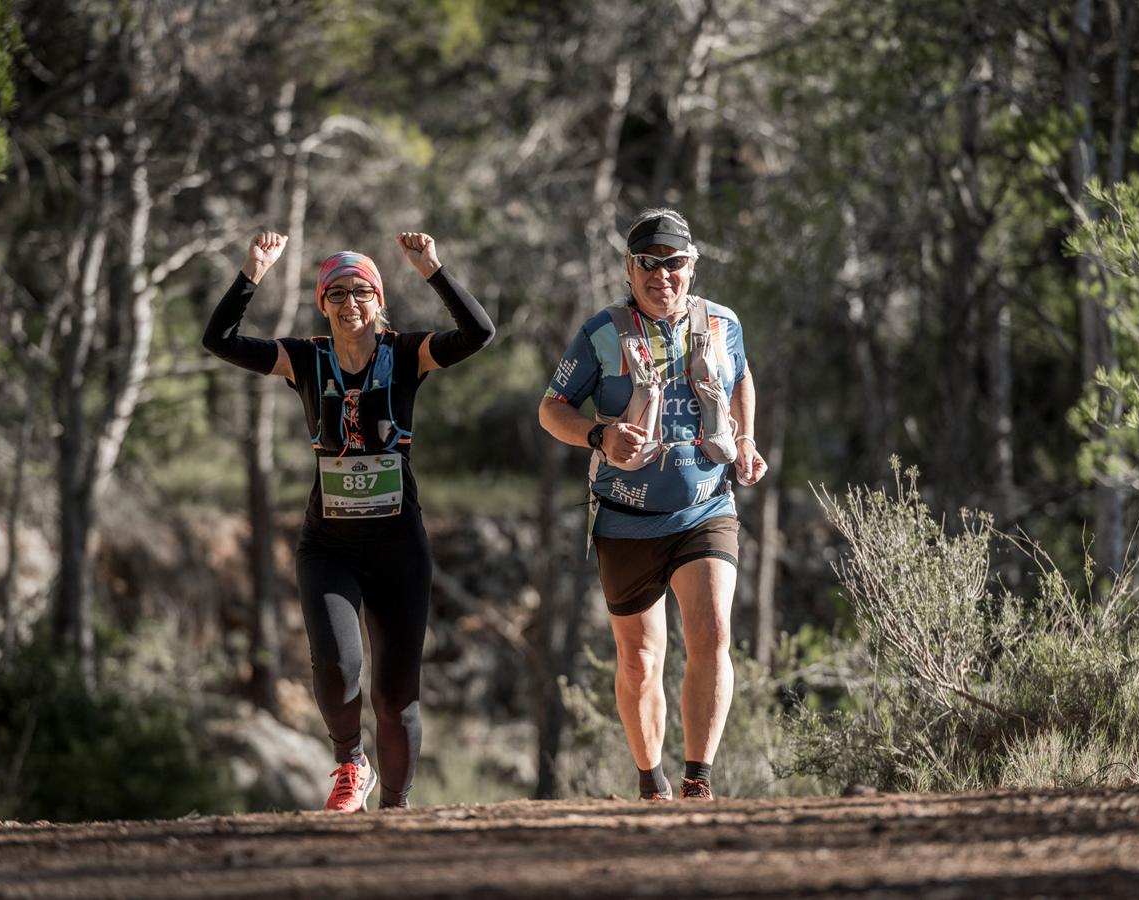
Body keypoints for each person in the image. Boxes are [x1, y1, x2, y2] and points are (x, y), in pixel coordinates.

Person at [202, 230, 495, 811]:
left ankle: (396, 809)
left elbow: (478, 334)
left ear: (378, 300)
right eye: (336, 293)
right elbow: (220, 339)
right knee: (336, 668)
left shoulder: (408, 353)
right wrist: (253, 273)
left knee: (394, 696)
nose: (349, 302)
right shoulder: (305, 359)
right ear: (322, 304)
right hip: (328, 544)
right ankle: (348, 763)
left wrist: (434, 270)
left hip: (398, 547)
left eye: (361, 291)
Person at [538, 208, 767, 801]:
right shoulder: (601, 334)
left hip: (706, 507)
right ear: (629, 269)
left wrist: (744, 440)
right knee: (640, 659)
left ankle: (699, 779)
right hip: (625, 516)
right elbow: (551, 408)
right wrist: (599, 435)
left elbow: (740, 379)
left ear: (691, 267)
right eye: (648, 264)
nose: (661, 275)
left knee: (713, 630)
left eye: (674, 263)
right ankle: (652, 781)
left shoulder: (722, 323)